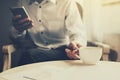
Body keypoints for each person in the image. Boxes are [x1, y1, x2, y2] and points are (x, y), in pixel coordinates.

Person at [10, 0, 87, 66]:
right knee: (30, 55)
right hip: (35, 50)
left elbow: (78, 34)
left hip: (63, 52)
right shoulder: (22, 3)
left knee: (29, 55)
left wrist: (76, 45)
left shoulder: (66, 2)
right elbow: (16, 40)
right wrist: (18, 30)